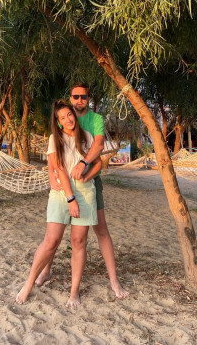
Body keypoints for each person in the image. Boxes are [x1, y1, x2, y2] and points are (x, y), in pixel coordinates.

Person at [37, 83, 129, 299]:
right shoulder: (64, 116)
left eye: (84, 97)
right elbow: (55, 149)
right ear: (70, 98)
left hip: (89, 183)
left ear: (88, 98)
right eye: (76, 96)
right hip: (65, 185)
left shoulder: (95, 119)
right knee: (55, 233)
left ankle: (114, 280)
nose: (79, 100)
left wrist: (84, 166)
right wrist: (51, 173)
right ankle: (46, 269)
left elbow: (98, 146)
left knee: (100, 230)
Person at [16, 99, 98, 307]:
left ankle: (74, 292)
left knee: (79, 242)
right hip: (62, 193)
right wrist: (71, 199)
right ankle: (29, 283)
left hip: (85, 193)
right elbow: (59, 168)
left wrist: (87, 177)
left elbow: (98, 164)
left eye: (69, 114)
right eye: (63, 117)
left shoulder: (87, 137)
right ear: (58, 122)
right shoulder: (56, 138)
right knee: (51, 241)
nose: (68, 119)